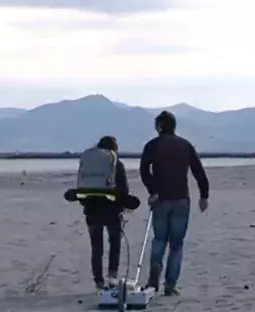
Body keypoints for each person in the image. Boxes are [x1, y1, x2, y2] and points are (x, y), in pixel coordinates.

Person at [140, 110, 209, 296]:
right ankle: (170, 285)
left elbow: (144, 171)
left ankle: (154, 279)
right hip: (181, 199)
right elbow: (198, 171)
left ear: (159, 126)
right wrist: (204, 195)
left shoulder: (152, 145)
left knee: (160, 239)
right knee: (176, 245)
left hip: (161, 199)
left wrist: (153, 191)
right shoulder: (185, 145)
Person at [64, 135, 133, 290]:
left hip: (92, 211)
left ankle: (98, 281)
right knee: (114, 243)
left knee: (96, 247)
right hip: (112, 211)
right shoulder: (116, 164)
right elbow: (123, 190)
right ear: (114, 149)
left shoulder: (89, 164)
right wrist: (125, 204)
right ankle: (112, 278)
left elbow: (82, 186)